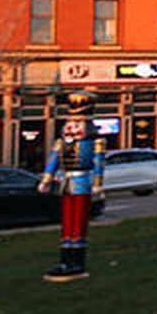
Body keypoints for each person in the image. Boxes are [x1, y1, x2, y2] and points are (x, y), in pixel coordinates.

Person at [38, 90, 105, 282]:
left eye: (77, 125)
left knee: (78, 220)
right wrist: (46, 179)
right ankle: (65, 258)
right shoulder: (62, 143)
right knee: (67, 220)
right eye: (70, 125)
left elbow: (99, 163)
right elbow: (53, 160)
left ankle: (77, 261)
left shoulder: (95, 142)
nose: (72, 129)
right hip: (66, 182)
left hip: (82, 182)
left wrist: (97, 184)